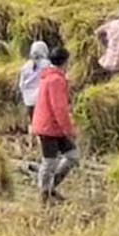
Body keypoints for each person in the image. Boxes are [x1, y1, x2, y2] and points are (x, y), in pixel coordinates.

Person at [31, 45, 79, 204]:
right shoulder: (56, 80)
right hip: (49, 127)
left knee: (72, 156)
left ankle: (50, 187)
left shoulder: (50, 77)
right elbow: (59, 108)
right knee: (49, 161)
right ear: (65, 62)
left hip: (52, 126)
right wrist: (68, 129)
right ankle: (44, 192)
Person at [18, 40, 51, 109]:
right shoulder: (47, 64)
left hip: (28, 102)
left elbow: (21, 85)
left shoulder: (25, 66)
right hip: (42, 100)